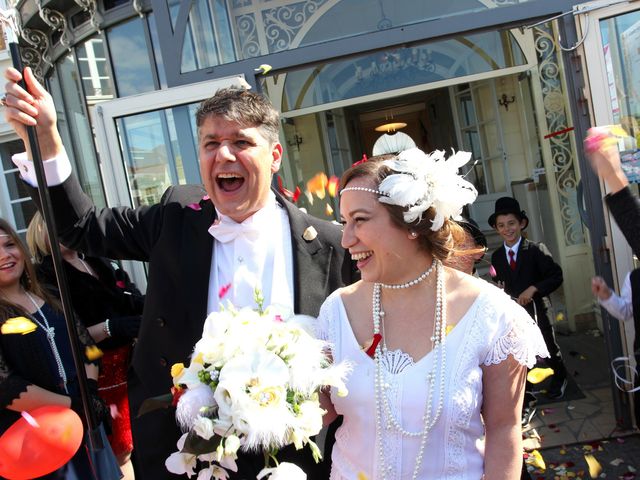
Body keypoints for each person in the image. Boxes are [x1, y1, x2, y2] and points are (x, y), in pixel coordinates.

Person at [3, 66, 356, 479]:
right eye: (211, 143)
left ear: (274, 155)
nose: (224, 155)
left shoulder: (332, 244)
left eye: (241, 142)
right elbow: (80, 227)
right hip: (182, 447)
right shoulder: (175, 217)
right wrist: (45, 137)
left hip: (293, 453)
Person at [316, 149, 548, 479]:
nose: (346, 239)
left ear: (411, 222)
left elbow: (504, 431)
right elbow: (318, 414)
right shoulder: (335, 312)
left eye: (360, 220)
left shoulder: (493, 316)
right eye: (344, 222)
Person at [27, 211, 144, 480]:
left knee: (137, 445)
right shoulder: (45, 276)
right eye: (53, 228)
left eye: (64, 226)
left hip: (130, 366)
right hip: (96, 372)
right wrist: (110, 328)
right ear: (40, 234)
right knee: (117, 452)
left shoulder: (97, 260)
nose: (60, 233)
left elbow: (127, 298)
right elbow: (65, 335)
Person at [0, 218, 119, 479]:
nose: (5, 255)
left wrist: (88, 393)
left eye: (9, 244)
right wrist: (74, 405)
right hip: (34, 440)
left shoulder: (51, 295)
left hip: (83, 424)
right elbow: (7, 387)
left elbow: (88, 347)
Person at [585, 127, 640, 427]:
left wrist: (613, 174)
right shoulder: (636, 277)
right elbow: (626, 311)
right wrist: (607, 296)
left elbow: (634, 225)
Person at [488, 197, 568, 401]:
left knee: (548, 347)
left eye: (512, 223)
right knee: (521, 350)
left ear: (521, 223)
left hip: (538, 309)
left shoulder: (535, 249)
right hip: (514, 314)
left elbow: (556, 276)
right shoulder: (497, 256)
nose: (508, 229)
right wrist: (500, 290)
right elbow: (498, 280)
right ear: (497, 228)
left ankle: (560, 377)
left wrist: (533, 288)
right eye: (502, 225)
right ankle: (529, 386)